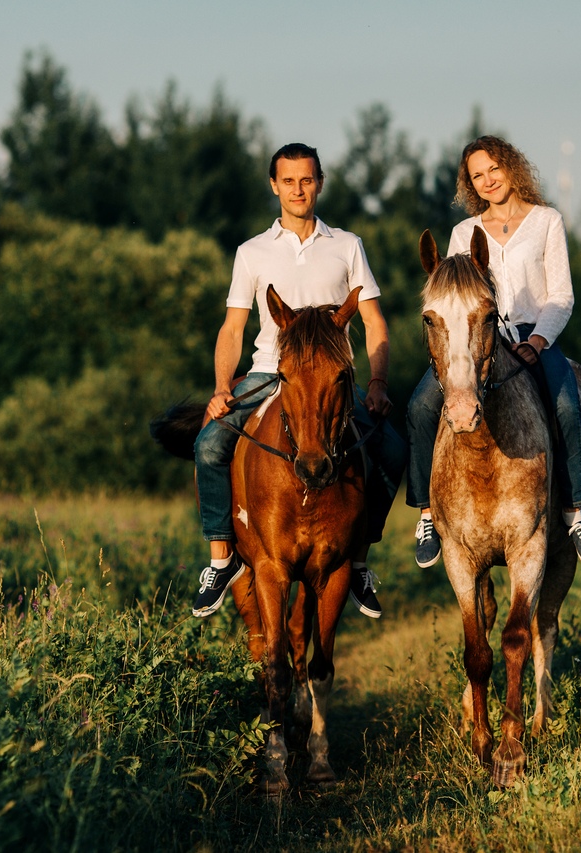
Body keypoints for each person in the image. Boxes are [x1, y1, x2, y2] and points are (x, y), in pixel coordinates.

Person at [191, 143, 407, 619]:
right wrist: (222, 387)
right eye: (288, 181)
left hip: (330, 379)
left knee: (392, 450)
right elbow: (232, 327)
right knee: (208, 446)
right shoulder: (252, 252)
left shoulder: (347, 246)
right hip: (272, 371)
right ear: (274, 186)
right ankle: (221, 559)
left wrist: (377, 383)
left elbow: (373, 322)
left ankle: (359, 559)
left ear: (319, 184)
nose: (297, 190)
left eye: (306, 180)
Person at [406, 135, 581, 570]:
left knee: (568, 406)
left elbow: (562, 295)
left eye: (493, 169)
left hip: (535, 336)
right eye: (477, 176)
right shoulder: (464, 232)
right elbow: (457, 297)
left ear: (511, 167)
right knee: (421, 405)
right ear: (469, 185)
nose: (487, 180)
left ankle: (575, 512)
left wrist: (538, 341)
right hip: (477, 339)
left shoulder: (547, 221)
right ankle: (426, 513)